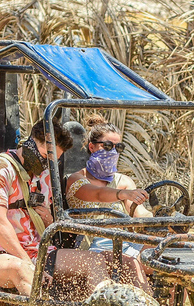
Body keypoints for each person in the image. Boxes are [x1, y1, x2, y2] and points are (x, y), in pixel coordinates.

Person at [0, 119, 109, 306]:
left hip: (38, 250)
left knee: (93, 262)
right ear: (31, 143)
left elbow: (52, 223)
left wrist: (48, 219)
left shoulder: (43, 176)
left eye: (54, 160)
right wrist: (29, 264)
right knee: (22, 269)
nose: (47, 164)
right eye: (47, 156)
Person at [65, 115, 153, 292]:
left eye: (118, 147)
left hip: (125, 242)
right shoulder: (76, 179)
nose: (112, 152)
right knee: (128, 261)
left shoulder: (123, 180)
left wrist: (160, 223)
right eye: (107, 146)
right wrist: (122, 194)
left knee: (168, 254)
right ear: (92, 147)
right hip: (92, 245)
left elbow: (140, 213)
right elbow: (98, 194)